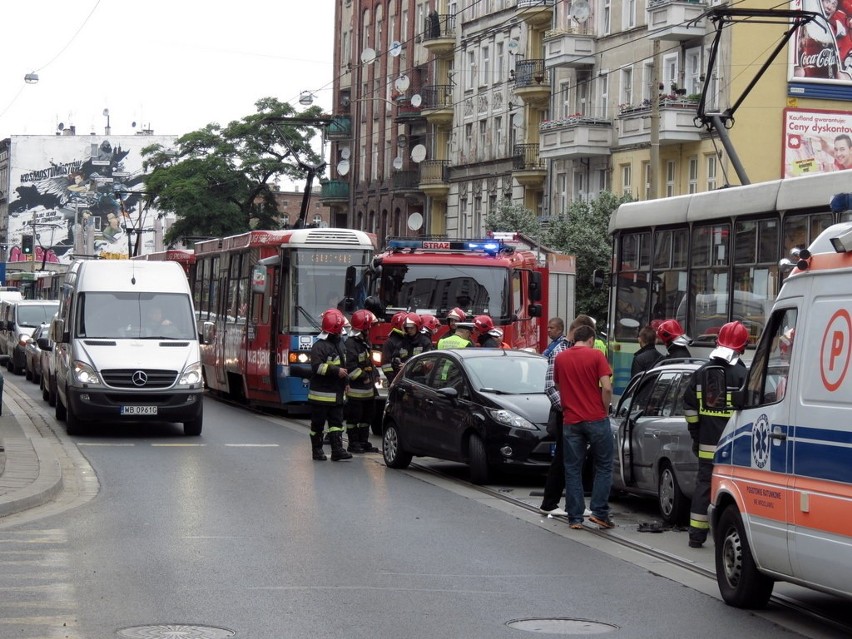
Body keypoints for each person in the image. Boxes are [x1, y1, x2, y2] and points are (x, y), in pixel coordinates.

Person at [683, 321, 749, 548]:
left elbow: (689, 407)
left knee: (704, 484)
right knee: (737, 491)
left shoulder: (701, 373)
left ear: (718, 342)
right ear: (742, 347)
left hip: (707, 443)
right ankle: (733, 535)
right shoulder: (744, 375)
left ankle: (696, 535)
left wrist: (696, 433)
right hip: (736, 446)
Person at [554, 324, 614, 530]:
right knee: (604, 465)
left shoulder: (560, 358)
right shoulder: (596, 356)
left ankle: (575, 518)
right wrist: (605, 409)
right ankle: (599, 513)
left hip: (571, 420)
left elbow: (558, 386)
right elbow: (606, 387)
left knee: (572, 469)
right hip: (596, 418)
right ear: (591, 339)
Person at [308, 308, 352, 462]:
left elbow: (344, 365)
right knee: (318, 425)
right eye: (340, 329)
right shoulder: (319, 347)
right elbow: (317, 367)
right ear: (335, 330)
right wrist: (335, 371)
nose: (342, 332)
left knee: (337, 423)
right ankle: (317, 450)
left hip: (337, 393)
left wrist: (346, 382)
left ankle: (337, 450)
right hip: (320, 395)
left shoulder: (340, 344)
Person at [539, 317, 572, 516]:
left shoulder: (558, 349)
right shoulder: (558, 351)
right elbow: (551, 386)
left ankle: (568, 504)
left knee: (567, 457)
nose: (548, 330)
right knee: (563, 457)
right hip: (566, 413)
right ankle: (551, 502)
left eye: (551, 327)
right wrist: (565, 408)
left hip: (569, 413)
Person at [344, 310, 380, 454]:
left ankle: (363, 442)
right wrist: (364, 376)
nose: (371, 328)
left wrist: (375, 373)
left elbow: (369, 361)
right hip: (356, 391)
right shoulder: (350, 344)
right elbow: (351, 367)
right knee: (354, 418)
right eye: (369, 326)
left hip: (368, 390)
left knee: (367, 417)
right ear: (364, 327)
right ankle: (353, 443)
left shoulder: (365, 342)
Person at [381, 311, 408, 386]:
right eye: (406, 326)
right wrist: (394, 381)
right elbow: (386, 366)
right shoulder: (389, 342)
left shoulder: (407, 340)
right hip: (396, 382)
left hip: (407, 381)